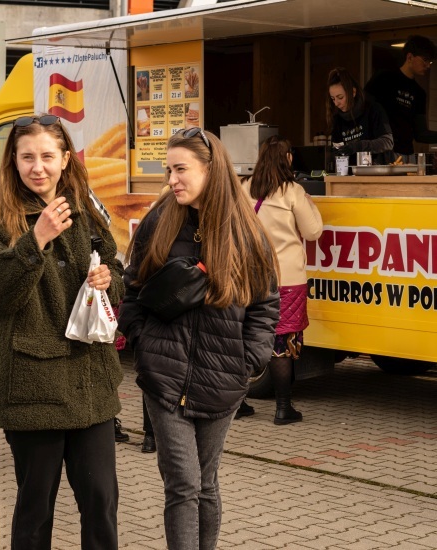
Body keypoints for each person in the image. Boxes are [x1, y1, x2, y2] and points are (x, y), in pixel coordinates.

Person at [118, 127, 280, 550]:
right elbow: (131, 287)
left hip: (222, 379)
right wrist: (142, 342)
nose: (172, 180)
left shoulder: (246, 230)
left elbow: (265, 303)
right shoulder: (161, 219)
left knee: (206, 484)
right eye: (168, 170)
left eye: (180, 169)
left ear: (212, 170)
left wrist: (250, 360)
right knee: (183, 483)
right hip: (164, 378)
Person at [0, 114, 124, 550]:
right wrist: (33, 240)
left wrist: (110, 279)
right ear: (13, 162)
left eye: (48, 156)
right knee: (36, 508)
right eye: (27, 157)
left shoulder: (86, 210)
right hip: (33, 388)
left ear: (65, 158)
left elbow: (117, 271)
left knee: (100, 502)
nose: (39, 167)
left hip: (90, 384)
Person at [247, 134, 323, 425]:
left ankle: (237, 403)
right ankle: (282, 408)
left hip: (252, 276)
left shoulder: (245, 188)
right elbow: (313, 231)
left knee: (249, 337)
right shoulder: (293, 191)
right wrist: (310, 204)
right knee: (282, 341)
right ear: (288, 158)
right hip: (287, 278)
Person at [365, 35, 437, 163]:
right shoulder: (384, 78)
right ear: (410, 57)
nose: (428, 65)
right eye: (425, 60)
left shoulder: (419, 93)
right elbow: (364, 109)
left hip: (407, 153)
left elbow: (420, 133)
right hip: (383, 153)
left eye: (430, 62)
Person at [327, 67, 394, 165]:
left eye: (340, 97)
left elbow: (388, 142)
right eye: (333, 99)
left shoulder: (373, 109)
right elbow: (337, 150)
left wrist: (358, 146)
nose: (336, 103)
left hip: (376, 171)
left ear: (353, 92)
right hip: (348, 174)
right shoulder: (337, 119)